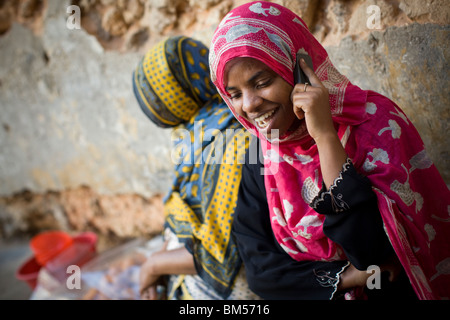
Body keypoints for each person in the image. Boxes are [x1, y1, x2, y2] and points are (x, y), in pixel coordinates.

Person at [209, 1, 450, 299]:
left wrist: (324, 137)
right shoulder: (262, 155)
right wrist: (344, 277)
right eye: (233, 94)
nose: (248, 105)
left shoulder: (374, 123)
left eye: (262, 82)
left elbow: (373, 253)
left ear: (298, 70)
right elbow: (260, 271)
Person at [132, 35, 260, 300]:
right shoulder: (199, 132)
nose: (155, 111)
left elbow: (219, 254)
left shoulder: (232, 140)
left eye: (156, 98)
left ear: (178, 92)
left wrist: (154, 264)